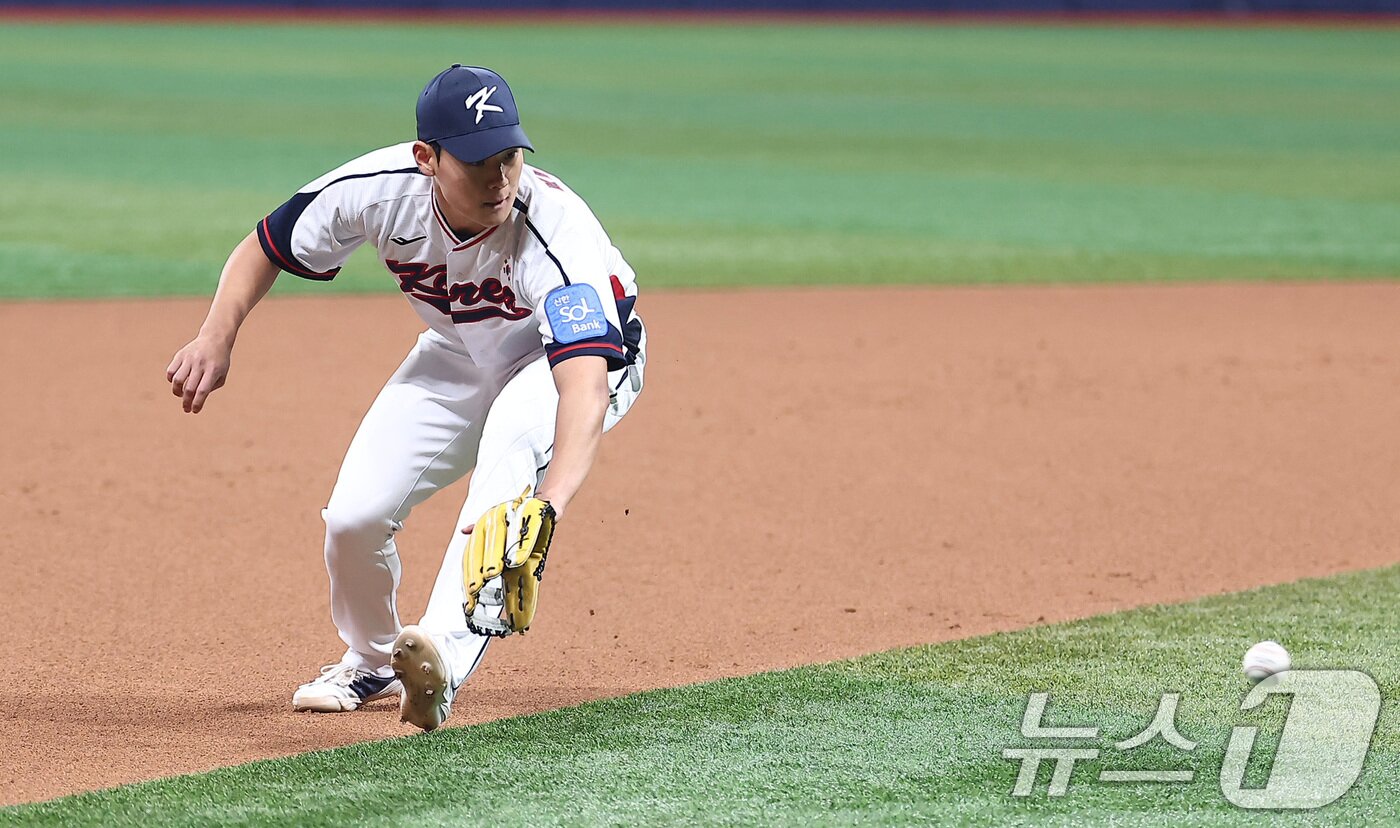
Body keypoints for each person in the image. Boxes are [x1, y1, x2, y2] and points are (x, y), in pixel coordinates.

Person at [165, 65, 646, 732]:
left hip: (563, 362)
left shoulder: (554, 232)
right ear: (427, 158)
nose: (498, 177)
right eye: (478, 160)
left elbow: (585, 383)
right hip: (459, 354)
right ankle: (373, 658)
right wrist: (216, 336)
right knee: (354, 518)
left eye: (509, 156)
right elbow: (266, 244)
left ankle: (440, 662)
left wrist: (550, 502)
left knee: (509, 455)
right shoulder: (376, 191)